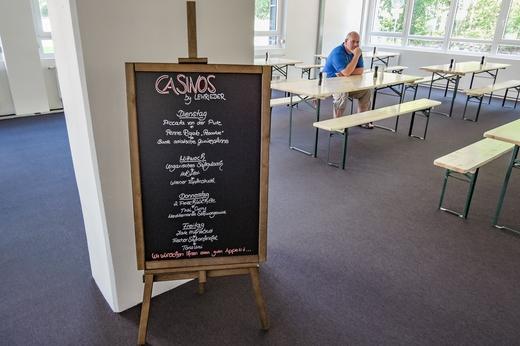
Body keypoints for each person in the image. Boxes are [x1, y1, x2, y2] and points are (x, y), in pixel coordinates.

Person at [322, 31, 373, 128]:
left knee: (366, 92)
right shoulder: (338, 52)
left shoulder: (357, 51)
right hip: (330, 81)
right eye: (353, 42)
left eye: (358, 42)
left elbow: (360, 71)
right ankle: (337, 124)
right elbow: (347, 72)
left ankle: (361, 120)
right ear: (346, 41)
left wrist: (346, 72)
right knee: (342, 93)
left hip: (346, 81)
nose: (356, 44)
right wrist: (354, 59)